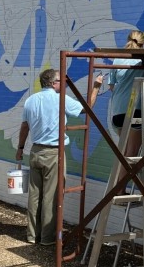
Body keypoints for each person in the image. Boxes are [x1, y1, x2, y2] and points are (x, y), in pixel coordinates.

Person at [16, 68, 103, 245]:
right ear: (54, 83)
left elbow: (25, 126)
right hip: (54, 152)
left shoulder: (30, 100)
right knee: (51, 196)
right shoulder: (60, 99)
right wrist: (96, 87)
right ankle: (47, 238)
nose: (63, 84)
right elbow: (86, 108)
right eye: (60, 81)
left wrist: (20, 148)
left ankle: (32, 235)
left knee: (34, 195)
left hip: (35, 150)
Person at [109, 30, 144, 166]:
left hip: (118, 110)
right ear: (143, 44)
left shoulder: (118, 58)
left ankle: (119, 186)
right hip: (138, 108)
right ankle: (120, 187)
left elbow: (111, 86)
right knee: (131, 152)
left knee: (124, 151)